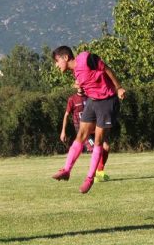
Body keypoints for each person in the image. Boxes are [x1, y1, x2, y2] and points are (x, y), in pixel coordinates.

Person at [51, 46, 126, 194]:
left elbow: (107, 69)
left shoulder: (85, 58)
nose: (56, 65)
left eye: (57, 61)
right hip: (93, 101)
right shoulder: (75, 72)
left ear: (65, 57)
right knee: (81, 135)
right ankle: (66, 170)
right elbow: (90, 80)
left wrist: (119, 88)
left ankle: (90, 179)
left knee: (98, 140)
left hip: (107, 101)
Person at [60, 84, 110, 180]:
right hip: (83, 131)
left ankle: (100, 171)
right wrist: (63, 131)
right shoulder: (72, 99)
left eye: (81, 84)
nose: (80, 86)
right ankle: (94, 175)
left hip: (94, 128)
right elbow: (66, 115)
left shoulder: (89, 97)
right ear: (75, 86)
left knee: (106, 147)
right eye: (77, 84)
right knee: (95, 149)